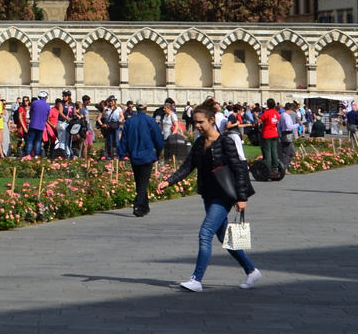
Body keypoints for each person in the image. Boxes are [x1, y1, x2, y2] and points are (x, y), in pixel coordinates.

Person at [160, 99, 260, 292]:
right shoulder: (199, 143)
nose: (197, 126)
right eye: (195, 122)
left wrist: (242, 198)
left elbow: (239, 171)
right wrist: (169, 181)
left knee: (205, 234)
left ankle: (196, 279)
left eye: (201, 122)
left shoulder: (226, 142)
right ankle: (251, 271)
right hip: (208, 194)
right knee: (223, 237)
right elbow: (187, 166)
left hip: (224, 196)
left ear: (212, 120)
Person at [118, 102, 166, 217]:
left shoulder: (129, 121)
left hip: (134, 154)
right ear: (146, 108)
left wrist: (121, 157)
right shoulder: (151, 121)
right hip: (147, 155)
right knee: (143, 182)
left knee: (139, 181)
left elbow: (123, 140)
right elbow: (158, 138)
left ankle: (145, 207)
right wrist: (159, 152)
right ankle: (138, 205)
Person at [259, 98, 282, 176]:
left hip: (267, 133)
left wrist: (256, 116)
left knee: (267, 151)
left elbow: (260, 120)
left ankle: (268, 166)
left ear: (268, 105)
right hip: (274, 133)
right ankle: (275, 166)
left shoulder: (267, 113)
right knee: (274, 151)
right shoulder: (276, 113)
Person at [26, 92, 51, 158]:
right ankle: (36, 155)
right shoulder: (48, 105)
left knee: (30, 140)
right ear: (45, 98)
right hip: (41, 125)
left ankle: (28, 154)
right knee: (38, 140)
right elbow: (47, 116)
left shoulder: (34, 103)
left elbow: (31, 112)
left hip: (33, 124)